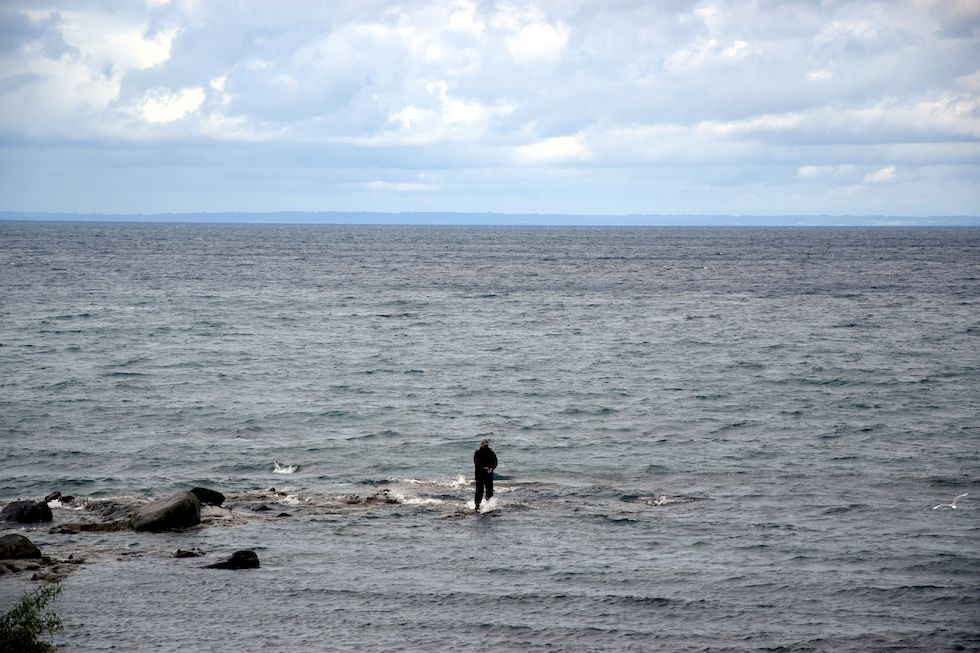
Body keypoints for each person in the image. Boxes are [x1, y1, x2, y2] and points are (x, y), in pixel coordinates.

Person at [473, 438, 498, 511]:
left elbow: (495, 462)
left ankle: (489, 506)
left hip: (489, 475)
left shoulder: (491, 453)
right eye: (484, 445)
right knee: (479, 491)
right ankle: (477, 506)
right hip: (479, 475)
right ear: (481, 445)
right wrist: (484, 468)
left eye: (486, 445)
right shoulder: (477, 453)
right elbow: (476, 463)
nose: (485, 446)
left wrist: (491, 468)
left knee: (489, 491)